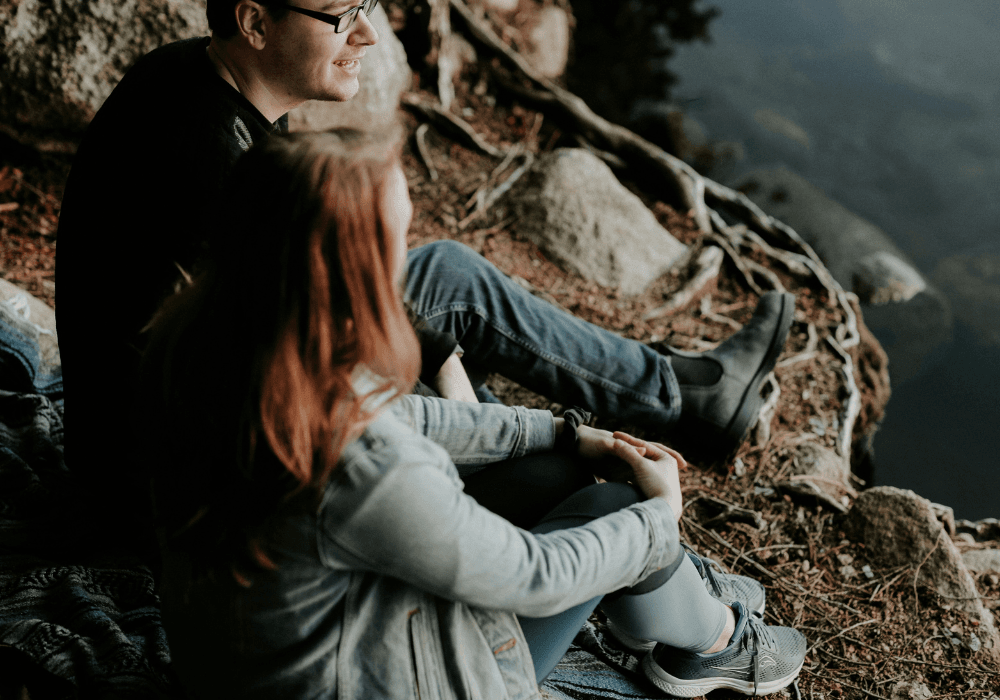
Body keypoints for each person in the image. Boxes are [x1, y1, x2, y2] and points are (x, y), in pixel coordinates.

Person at [54, 0, 793, 541]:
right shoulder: (208, 159)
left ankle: (688, 394)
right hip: (167, 486)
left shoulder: (200, 80)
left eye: (365, 6)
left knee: (444, 277)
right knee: (545, 471)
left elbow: (317, 294)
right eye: (341, 15)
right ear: (255, 24)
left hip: (209, 405)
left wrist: (441, 361)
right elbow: (308, 360)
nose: (369, 34)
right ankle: (673, 414)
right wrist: (464, 401)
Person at [138, 129, 806, 699]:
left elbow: (404, 417)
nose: (408, 260)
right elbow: (532, 575)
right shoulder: (357, 467)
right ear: (349, 277)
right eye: (396, 244)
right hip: (364, 676)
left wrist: (563, 432)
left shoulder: (216, 350)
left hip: (266, 663)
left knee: (559, 469)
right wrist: (659, 520)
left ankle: (662, 613)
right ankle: (715, 641)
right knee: (613, 513)